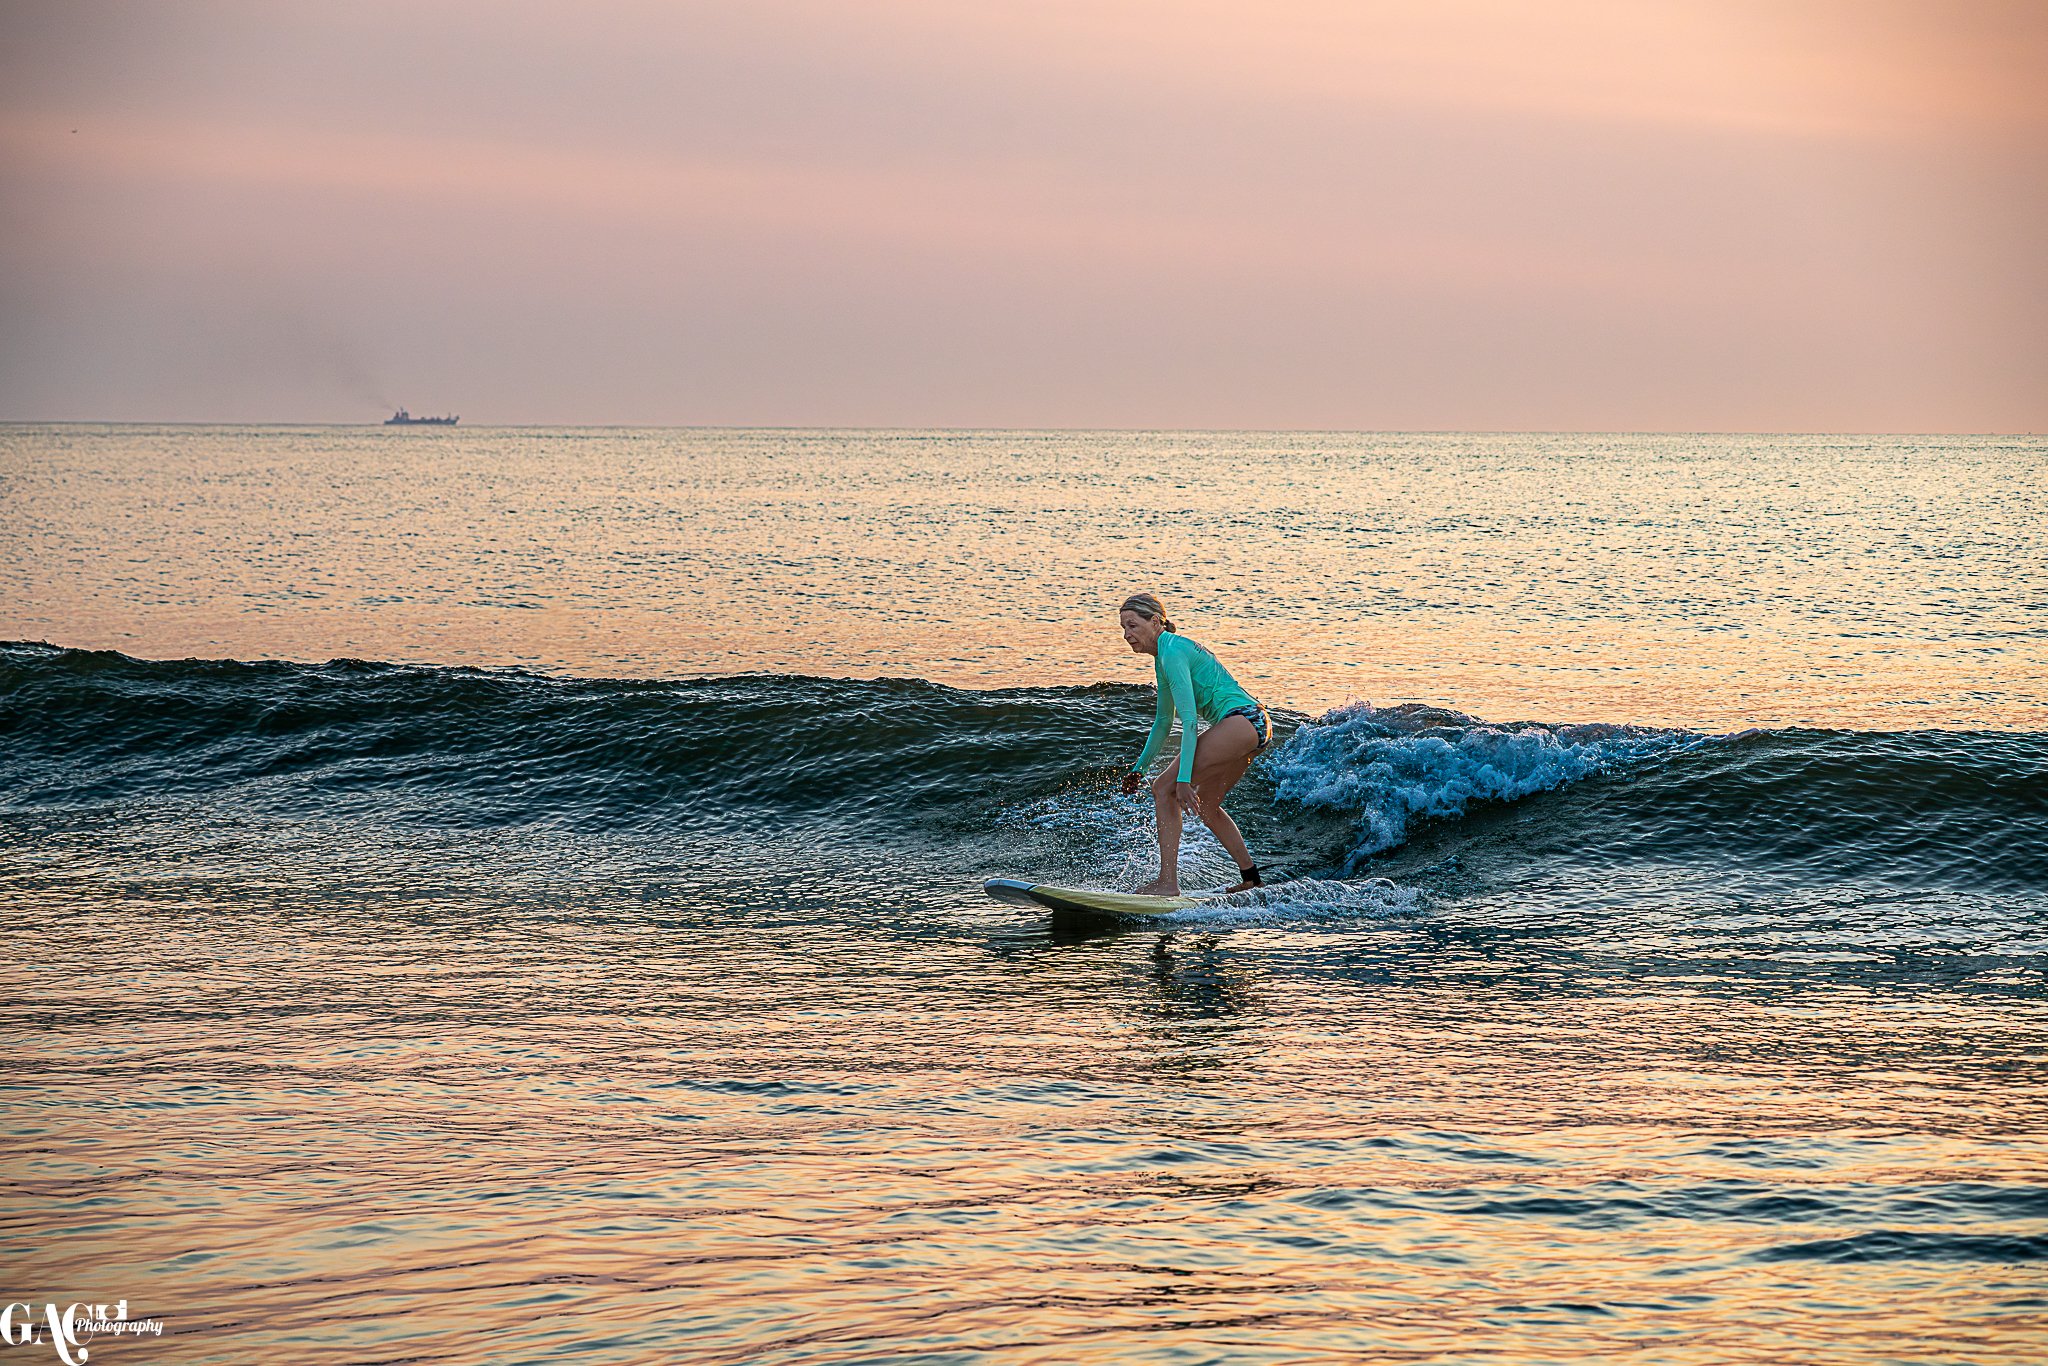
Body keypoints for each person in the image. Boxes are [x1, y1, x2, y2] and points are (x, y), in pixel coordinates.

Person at [1116, 592, 1273, 895]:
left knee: (1164, 788)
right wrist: (1139, 768)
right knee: (1209, 807)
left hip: (1241, 721)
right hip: (1255, 724)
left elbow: (1189, 723)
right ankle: (1251, 878)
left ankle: (1167, 883)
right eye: (1123, 628)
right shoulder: (1166, 655)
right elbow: (1163, 721)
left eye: (1133, 626)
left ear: (1155, 622)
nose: (1127, 635)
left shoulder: (1171, 653)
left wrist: (1184, 779)